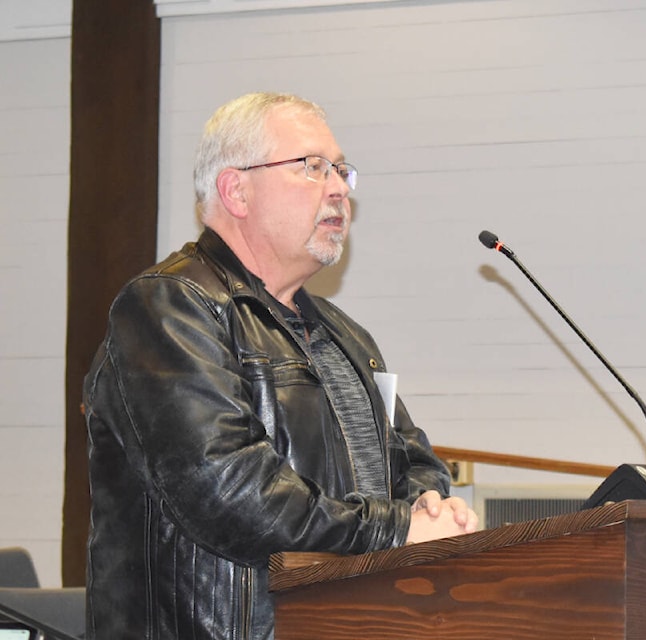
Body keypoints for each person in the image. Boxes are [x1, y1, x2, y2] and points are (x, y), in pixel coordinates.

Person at [83, 92, 479, 640]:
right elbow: (230, 490)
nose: (339, 188)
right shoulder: (170, 308)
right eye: (312, 167)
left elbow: (411, 461)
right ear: (236, 190)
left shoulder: (345, 336)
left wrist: (434, 511)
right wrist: (396, 530)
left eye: (341, 170)